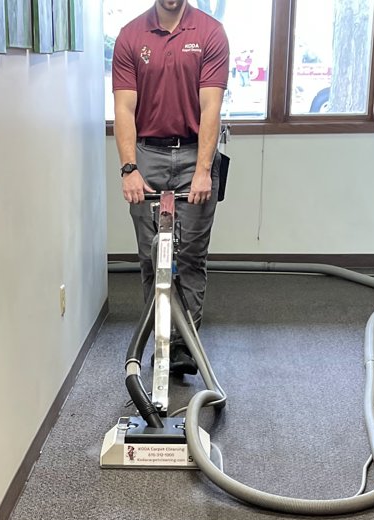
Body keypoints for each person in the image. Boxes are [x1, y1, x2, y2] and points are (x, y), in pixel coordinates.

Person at [111, 1, 229, 377]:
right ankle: (160, 336)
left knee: (191, 256)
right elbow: (124, 109)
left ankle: (183, 346)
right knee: (152, 257)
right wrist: (129, 169)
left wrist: (203, 170)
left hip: (195, 153)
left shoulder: (210, 33)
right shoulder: (131, 36)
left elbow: (211, 108)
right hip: (148, 154)